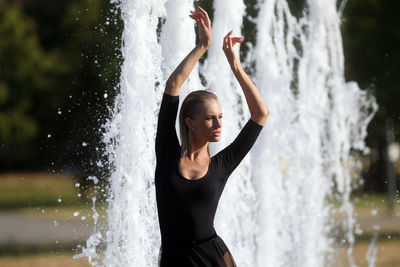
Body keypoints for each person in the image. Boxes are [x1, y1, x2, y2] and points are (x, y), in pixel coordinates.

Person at [155, 6, 269, 267]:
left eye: (220, 117)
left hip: (214, 257)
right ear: (190, 123)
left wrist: (235, 66)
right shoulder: (167, 154)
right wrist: (203, 46)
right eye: (210, 118)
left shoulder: (222, 164)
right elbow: (173, 87)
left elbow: (260, 114)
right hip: (175, 258)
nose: (218, 124)